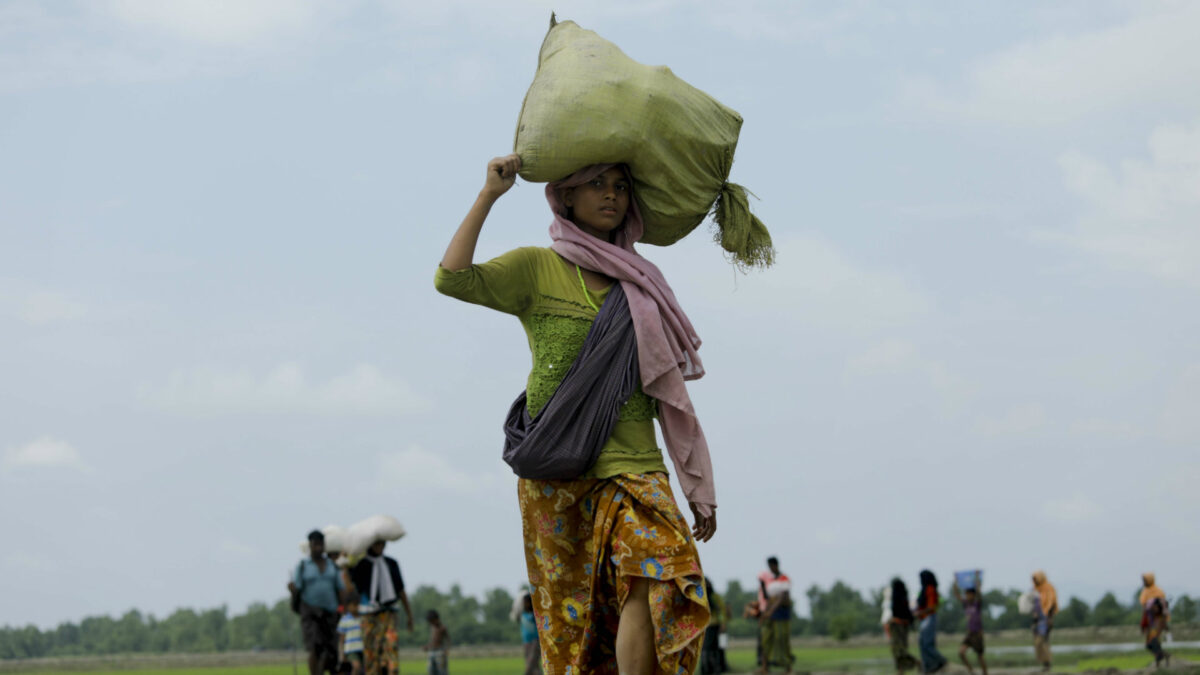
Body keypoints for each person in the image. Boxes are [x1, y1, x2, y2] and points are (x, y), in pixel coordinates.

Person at [435, 155, 716, 674]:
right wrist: (489, 195)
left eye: (620, 186)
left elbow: (669, 394)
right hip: (559, 473)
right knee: (576, 629)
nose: (611, 195)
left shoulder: (643, 284)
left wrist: (695, 481)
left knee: (660, 569)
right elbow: (452, 279)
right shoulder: (535, 267)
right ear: (565, 197)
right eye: (595, 184)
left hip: (637, 466)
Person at [350, 540, 414, 675]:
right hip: (368, 615)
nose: (380, 547)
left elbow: (401, 590)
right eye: (377, 544)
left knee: (391, 646)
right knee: (371, 652)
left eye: (382, 544)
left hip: (389, 613)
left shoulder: (391, 564)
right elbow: (353, 589)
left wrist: (409, 615)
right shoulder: (361, 565)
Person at [289, 530, 348, 675]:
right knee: (314, 647)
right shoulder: (303, 566)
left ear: (324, 545)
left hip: (331, 613)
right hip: (310, 613)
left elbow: (340, 589)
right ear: (310, 545)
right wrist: (292, 589)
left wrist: (344, 610)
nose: (317, 548)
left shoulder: (332, 566)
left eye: (320, 545)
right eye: (314, 545)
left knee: (332, 650)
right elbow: (297, 588)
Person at [757, 557, 794, 674]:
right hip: (770, 612)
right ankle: (764, 667)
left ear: (775, 565)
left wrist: (770, 612)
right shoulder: (770, 581)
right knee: (765, 639)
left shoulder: (784, 578)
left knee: (782, 639)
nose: (770, 568)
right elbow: (768, 599)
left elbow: (782, 598)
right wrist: (764, 614)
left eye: (771, 566)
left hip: (781, 612)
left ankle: (788, 667)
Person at [952, 578, 987, 675]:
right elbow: (957, 595)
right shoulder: (966, 604)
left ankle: (985, 673)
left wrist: (977, 583)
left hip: (977, 633)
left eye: (969, 594)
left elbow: (979, 594)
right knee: (961, 653)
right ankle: (971, 671)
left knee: (980, 657)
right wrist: (955, 582)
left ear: (973, 595)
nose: (967, 596)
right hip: (969, 633)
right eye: (966, 594)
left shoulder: (977, 604)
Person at [914, 570, 947, 674]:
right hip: (924, 619)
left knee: (927, 644)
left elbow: (931, 607)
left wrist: (919, 613)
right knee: (922, 644)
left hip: (929, 617)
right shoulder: (924, 590)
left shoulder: (930, 589)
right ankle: (929, 666)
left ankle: (940, 661)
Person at [887, 578, 919, 674]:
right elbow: (908, 615)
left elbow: (899, 613)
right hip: (901, 627)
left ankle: (917, 663)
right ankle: (901, 671)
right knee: (900, 651)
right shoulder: (903, 599)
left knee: (899, 651)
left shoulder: (897, 599)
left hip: (898, 627)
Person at [1031, 570, 1057, 672]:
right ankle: (1045, 663)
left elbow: (1052, 605)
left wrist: (1050, 619)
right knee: (1039, 642)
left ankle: (1047, 664)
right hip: (1037, 621)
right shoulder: (1035, 590)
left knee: (1043, 642)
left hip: (1045, 620)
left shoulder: (1048, 589)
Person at [700, 577, 726, 675]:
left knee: (713, 648)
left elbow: (721, 611)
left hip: (713, 625)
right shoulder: (700, 596)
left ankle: (715, 669)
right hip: (703, 626)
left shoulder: (715, 597)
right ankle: (706, 669)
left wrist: (723, 623)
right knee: (705, 649)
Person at [518, 592, 541, 675]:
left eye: (527, 602)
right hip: (526, 643)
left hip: (535, 642)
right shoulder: (522, 614)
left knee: (530, 665)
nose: (525, 604)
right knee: (534, 667)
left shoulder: (534, 615)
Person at [1144, 598, 1170, 668]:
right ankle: (1166, 656)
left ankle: (1158, 665)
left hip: (1156, 635)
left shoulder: (1162, 615)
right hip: (1152, 633)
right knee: (1152, 648)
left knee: (1156, 650)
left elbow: (1164, 625)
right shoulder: (1154, 614)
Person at [423, 609, 449, 675]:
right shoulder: (432, 628)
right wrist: (427, 646)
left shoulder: (442, 627)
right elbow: (433, 640)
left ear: (436, 619)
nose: (431, 623)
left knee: (442, 671)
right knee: (431, 671)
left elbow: (448, 639)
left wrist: (447, 649)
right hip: (431, 651)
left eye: (432, 621)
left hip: (440, 651)